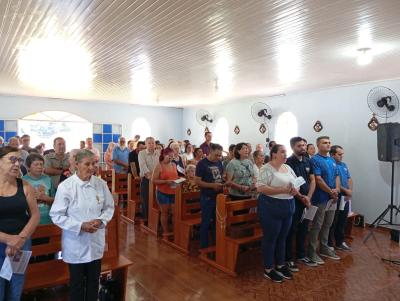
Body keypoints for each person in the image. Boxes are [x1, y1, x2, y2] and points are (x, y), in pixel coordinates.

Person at [50, 150, 114, 301]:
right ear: (76, 165)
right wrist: (80, 226)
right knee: (77, 284)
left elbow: (109, 207)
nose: (92, 167)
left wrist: (100, 220)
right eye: (87, 164)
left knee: (93, 281)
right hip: (76, 244)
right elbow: (57, 215)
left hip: (95, 241)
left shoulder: (100, 184)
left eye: (94, 163)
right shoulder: (66, 187)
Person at [0, 146, 40, 300]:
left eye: (19, 160)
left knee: (15, 288)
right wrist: (9, 239)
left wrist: (21, 239)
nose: (17, 164)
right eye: (12, 160)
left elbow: (35, 215)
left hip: (20, 246)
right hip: (4, 242)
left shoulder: (25, 186)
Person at [256, 144, 298, 283]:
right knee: (271, 238)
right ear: (274, 154)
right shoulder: (266, 168)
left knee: (283, 237)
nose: (286, 154)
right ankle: (268, 268)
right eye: (282, 152)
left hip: (288, 206)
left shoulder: (288, 167)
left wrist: (295, 190)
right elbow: (261, 188)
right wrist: (282, 190)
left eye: (286, 152)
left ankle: (280, 265)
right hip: (271, 207)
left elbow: (295, 183)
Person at [285, 137, 317, 271]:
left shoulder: (308, 160)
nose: (303, 148)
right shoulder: (288, 162)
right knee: (291, 230)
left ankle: (301, 255)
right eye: (299, 146)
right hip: (294, 201)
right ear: (293, 147)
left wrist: (308, 197)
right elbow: (290, 184)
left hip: (307, 201)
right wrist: (301, 197)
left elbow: (313, 179)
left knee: (304, 229)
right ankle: (288, 259)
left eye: (304, 145)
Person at [307, 136, 341, 265]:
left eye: (329, 143)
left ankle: (324, 247)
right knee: (317, 225)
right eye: (324, 143)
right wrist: (330, 191)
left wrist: (337, 190)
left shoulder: (332, 160)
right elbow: (318, 179)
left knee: (328, 223)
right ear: (318, 145)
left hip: (332, 197)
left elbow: (337, 175)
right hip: (320, 197)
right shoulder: (315, 160)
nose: (328, 145)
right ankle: (311, 251)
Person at [195, 143, 224, 249]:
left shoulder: (219, 162)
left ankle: (217, 245)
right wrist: (212, 185)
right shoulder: (202, 164)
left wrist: (224, 182)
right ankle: (204, 247)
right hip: (207, 197)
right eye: (216, 155)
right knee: (206, 222)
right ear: (210, 152)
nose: (218, 157)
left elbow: (220, 177)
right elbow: (197, 181)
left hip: (219, 197)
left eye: (220, 155)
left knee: (217, 223)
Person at [329, 145, 353, 251]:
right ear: (332, 154)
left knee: (343, 219)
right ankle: (329, 243)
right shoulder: (330, 164)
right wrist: (345, 190)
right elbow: (334, 181)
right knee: (332, 220)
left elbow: (349, 178)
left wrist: (350, 191)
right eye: (339, 154)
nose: (342, 156)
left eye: (342, 154)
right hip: (336, 195)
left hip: (345, 197)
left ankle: (340, 242)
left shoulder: (343, 164)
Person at [152, 148, 179, 236]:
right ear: (164, 155)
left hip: (173, 191)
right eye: (169, 156)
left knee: (175, 213)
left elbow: (175, 176)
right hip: (162, 192)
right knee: (165, 212)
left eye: (172, 156)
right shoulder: (159, 166)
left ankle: (175, 231)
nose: (171, 158)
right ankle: (166, 232)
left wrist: (179, 180)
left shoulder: (174, 165)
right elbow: (153, 180)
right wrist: (165, 182)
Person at [22, 154, 55, 225]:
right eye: (36, 164)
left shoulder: (48, 179)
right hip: (29, 221)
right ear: (28, 167)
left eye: (41, 164)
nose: (39, 167)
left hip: (48, 219)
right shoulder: (22, 181)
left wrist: (47, 198)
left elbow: (56, 200)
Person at [138, 137, 159, 221]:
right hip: (147, 180)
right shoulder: (141, 153)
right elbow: (143, 166)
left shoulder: (158, 153)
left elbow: (160, 165)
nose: (151, 145)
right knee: (146, 199)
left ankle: (156, 219)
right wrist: (151, 178)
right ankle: (147, 218)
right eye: (149, 143)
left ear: (155, 144)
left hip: (157, 179)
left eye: (153, 143)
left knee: (156, 199)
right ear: (146, 144)